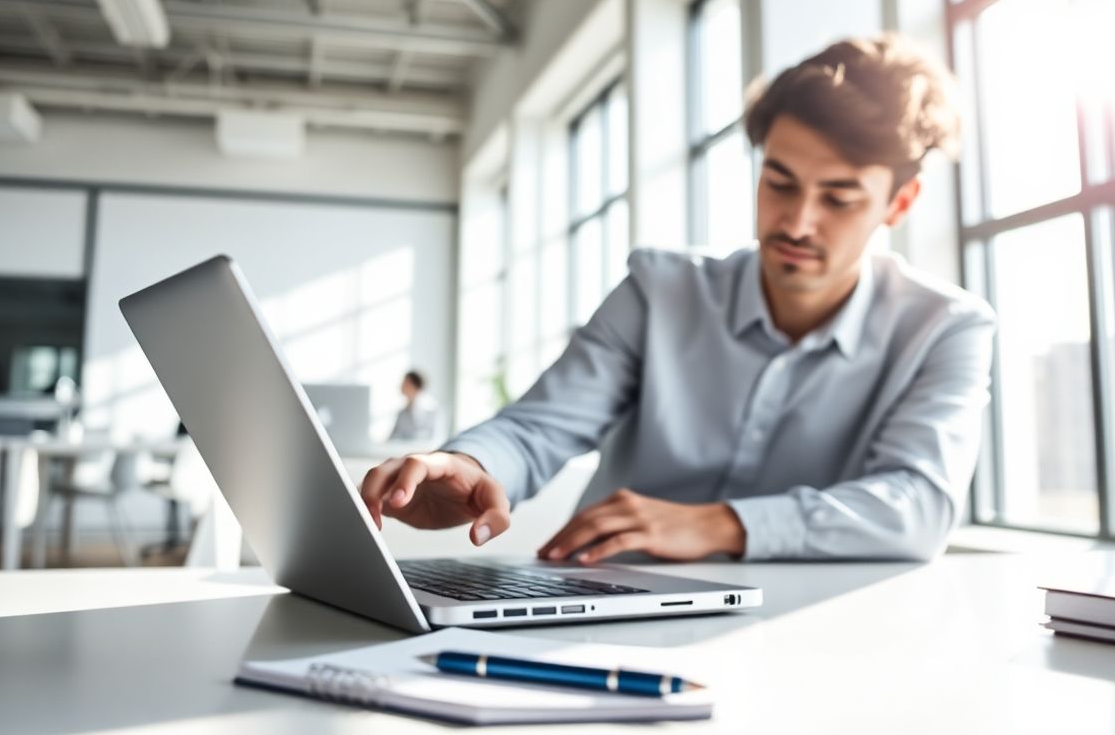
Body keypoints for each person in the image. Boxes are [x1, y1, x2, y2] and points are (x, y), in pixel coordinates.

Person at [362, 34, 995, 564]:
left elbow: (917, 505)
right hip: (603, 610)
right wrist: (469, 464)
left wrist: (724, 524)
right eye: (779, 182)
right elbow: (538, 429)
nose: (798, 222)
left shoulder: (945, 329)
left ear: (900, 203)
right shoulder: (660, 292)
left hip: (809, 637)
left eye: (838, 198)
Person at [388, 370, 439, 441]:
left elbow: (430, 436)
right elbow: (393, 437)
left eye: (405, 383)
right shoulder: (402, 412)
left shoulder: (430, 409)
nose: (401, 386)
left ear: (416, 386)